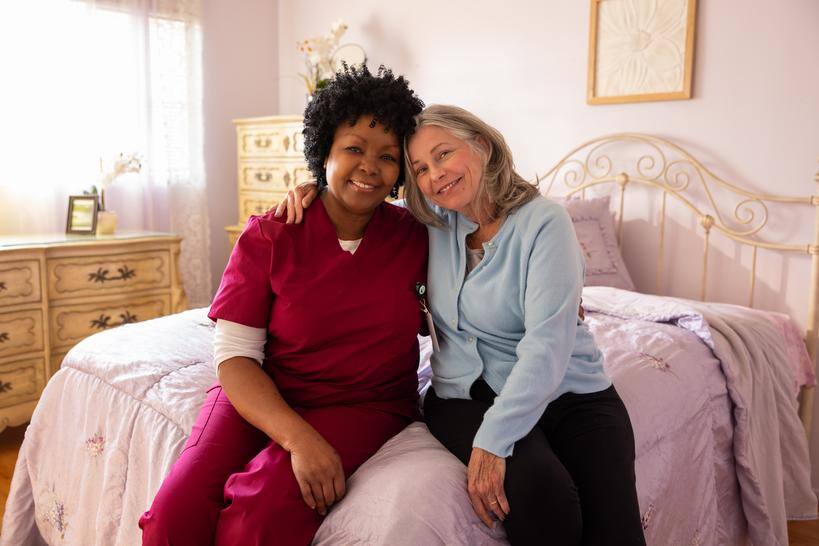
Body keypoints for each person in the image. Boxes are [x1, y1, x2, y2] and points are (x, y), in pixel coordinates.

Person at [280, 104, 645, 545]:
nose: (435, 174)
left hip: (573, 394)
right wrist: (316, 190)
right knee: (545, 495)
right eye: (419, 168)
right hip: (464, 397)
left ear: (481, 146)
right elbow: (362, 194)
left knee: (615, 528)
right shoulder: (429, 224)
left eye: (443, 154)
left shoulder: (545, 222)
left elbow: (547, 346)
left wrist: (493, 441)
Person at [138, 65, 427, 546]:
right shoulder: (270, 234)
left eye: (388, 156)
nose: (370, 167)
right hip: (261, 389)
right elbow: (234, 357)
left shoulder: (418, 239)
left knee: (259, 515)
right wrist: (297, 437)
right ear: (324, 152)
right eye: (354, 148)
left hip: (365, 403)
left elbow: (477, 270)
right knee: (176, 510)